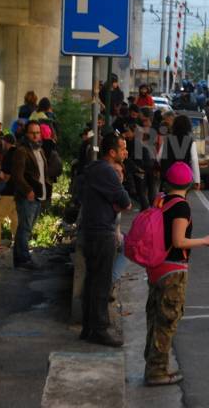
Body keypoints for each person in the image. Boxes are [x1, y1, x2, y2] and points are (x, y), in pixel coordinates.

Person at [144, 162, 209, 386]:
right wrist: (204, 241)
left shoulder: (161, 199)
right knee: (167, 320)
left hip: (156, 266)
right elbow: (178, 241)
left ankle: (153, 363)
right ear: (188, 183)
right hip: (173, 269)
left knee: (155, 318)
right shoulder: (181, 207)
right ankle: (157, 371)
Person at [79, 133, 131, 346]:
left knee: (92, 280)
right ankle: (99, 329)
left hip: (92, 230)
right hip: (102, 232)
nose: (124, 152)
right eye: (121, 149)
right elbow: (125, 200)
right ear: (112, 152)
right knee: (100, 282)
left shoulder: (93, 169)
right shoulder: (107, 172)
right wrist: (117, 199)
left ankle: (89, 327)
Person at [11, 121, 51, 270]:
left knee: (27, 227)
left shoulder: (39, 150)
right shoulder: (22, 151)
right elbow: (17, 175)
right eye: (32, 133)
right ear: (26, 134)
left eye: (37, 132)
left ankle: (21, 258)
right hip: (27, 196)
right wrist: (27, 190)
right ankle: (22, 259)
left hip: (38, 195)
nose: (35, 136)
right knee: (25, 228)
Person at [158, 115, 201, 191]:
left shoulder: (167, 139)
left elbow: (159, 157)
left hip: (169, 175)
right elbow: (194, 160)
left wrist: (161, 168)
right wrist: (197, 180)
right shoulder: (190, 141)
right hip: (183, 176)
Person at [0, 134, 18, 244]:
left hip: (8, 192)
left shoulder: (9, 155)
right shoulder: (20, 153)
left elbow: (6, 177)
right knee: (15, 219)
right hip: (18, 191)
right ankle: (18, 242)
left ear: (5, 142)